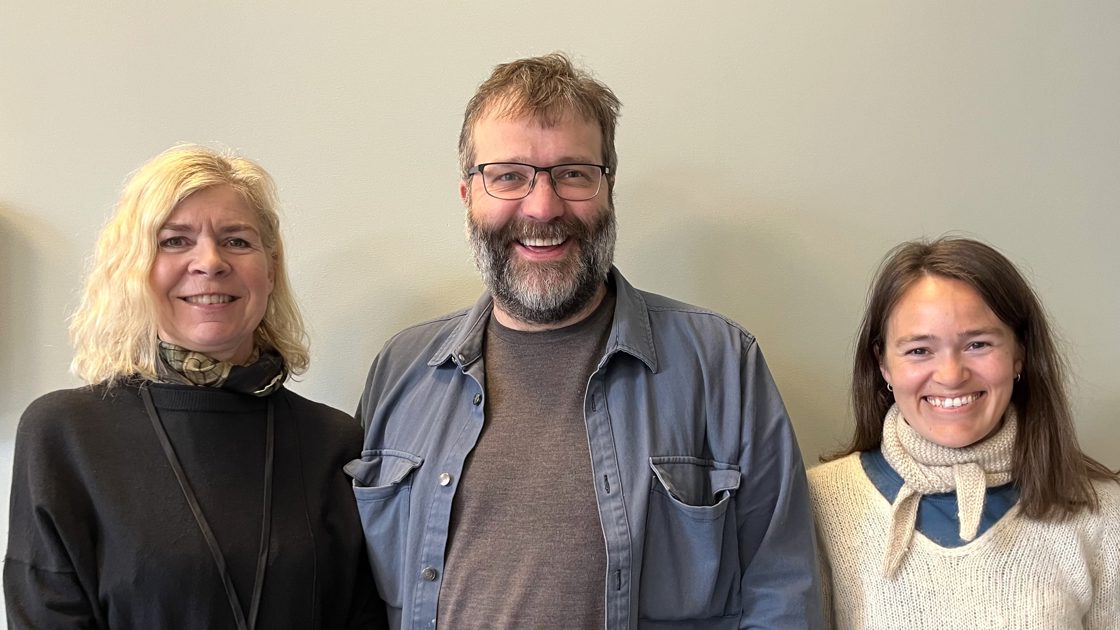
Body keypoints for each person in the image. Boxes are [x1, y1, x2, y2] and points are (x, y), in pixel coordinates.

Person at [350, 53, 821, 629]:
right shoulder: (401, 370)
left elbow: (781, 594)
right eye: (509, 176)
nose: (543, 207)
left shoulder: (722, 365)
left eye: (573, 173)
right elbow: (352, 599)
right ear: (468, 194)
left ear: (608, 188)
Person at [4, 145, 386, 629]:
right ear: (135, 269)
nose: (210, 262)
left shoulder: (334, 441)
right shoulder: (65, 434)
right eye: (175, 241)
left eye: (237, 241)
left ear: (270, 271)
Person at [808, 237, 1120, 629]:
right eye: (919, 350)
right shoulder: (818, 504)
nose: (951, 376)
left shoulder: (1103, 513)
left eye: (977, 344)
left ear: (1019, 354)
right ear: (883, 364)